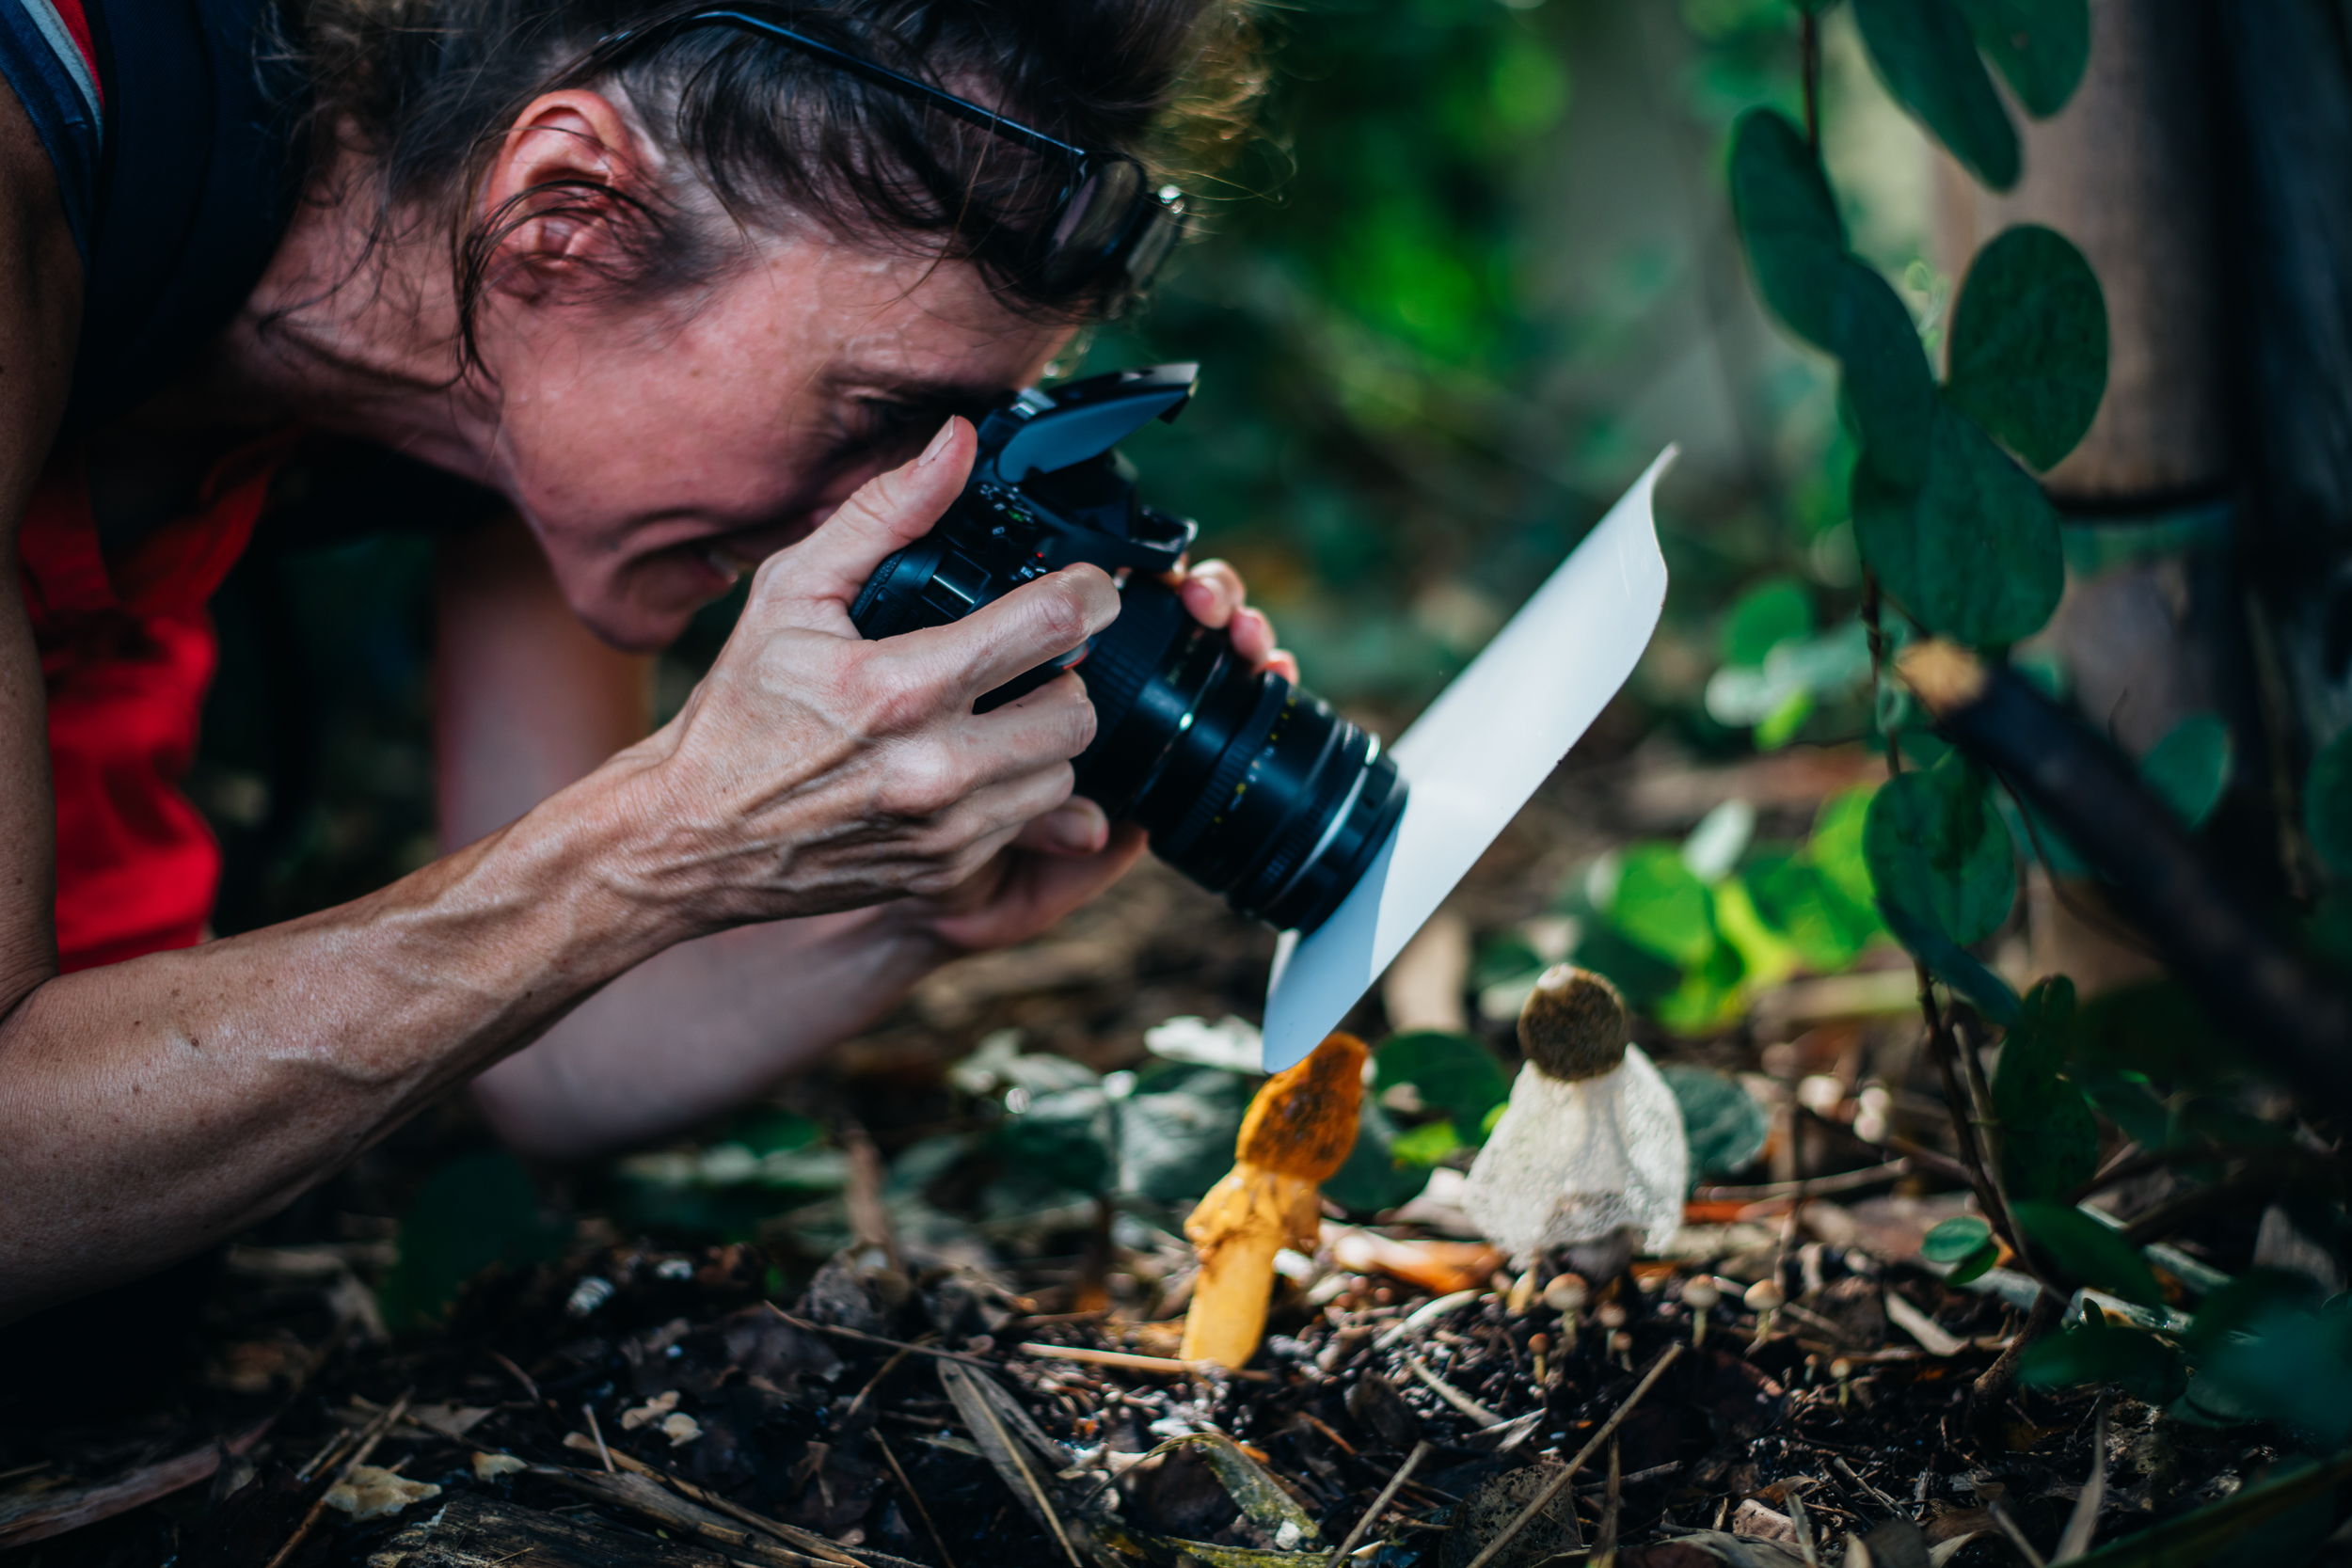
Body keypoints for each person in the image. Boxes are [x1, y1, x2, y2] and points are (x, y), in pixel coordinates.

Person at [0, 0, 1295, 1323]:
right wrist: (651, 840)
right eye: (884, 417)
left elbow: (559, 1059)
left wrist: (912, 904)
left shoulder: (510, 384)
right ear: (568, 210)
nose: (888, 511)